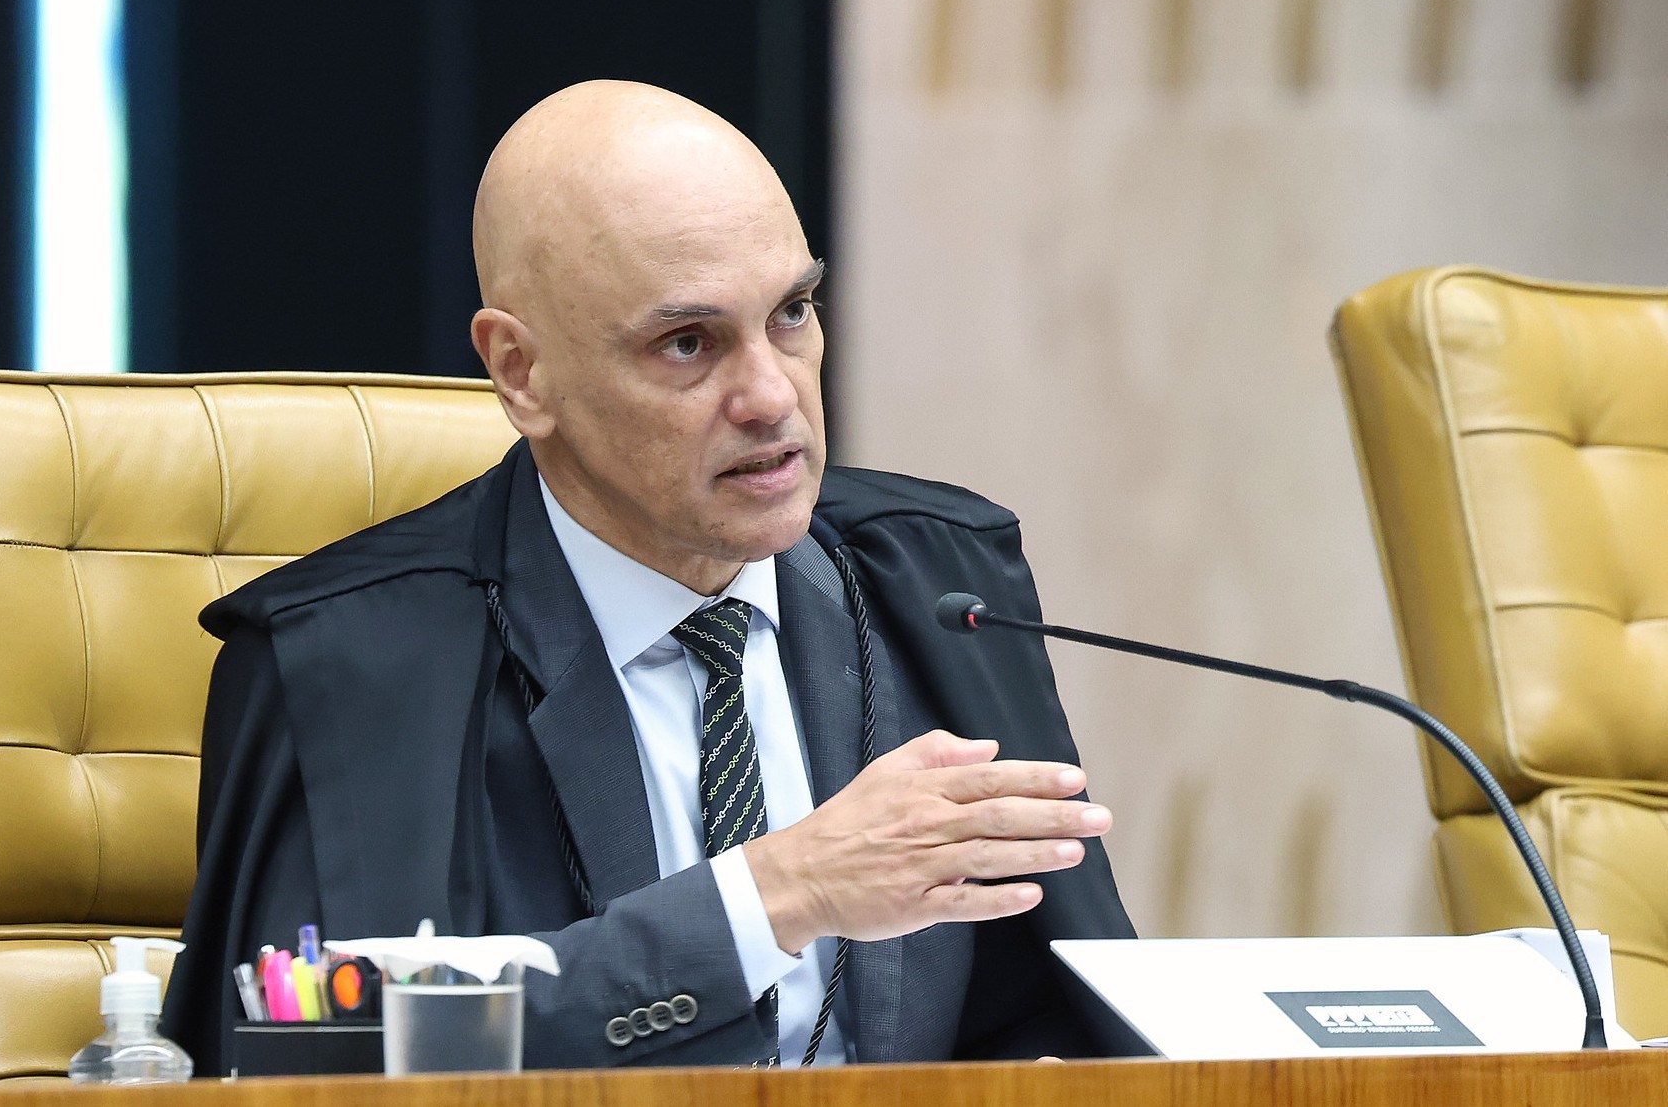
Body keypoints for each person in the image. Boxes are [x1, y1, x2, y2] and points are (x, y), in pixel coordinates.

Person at [163, 81, 1136, 1074]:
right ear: (521, 372)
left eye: (792, 312)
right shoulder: (347, 663)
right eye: (688, 343)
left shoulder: (934, 582)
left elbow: (1052, 1006)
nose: (771, 395)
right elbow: (321, 1058)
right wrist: (770, 898)